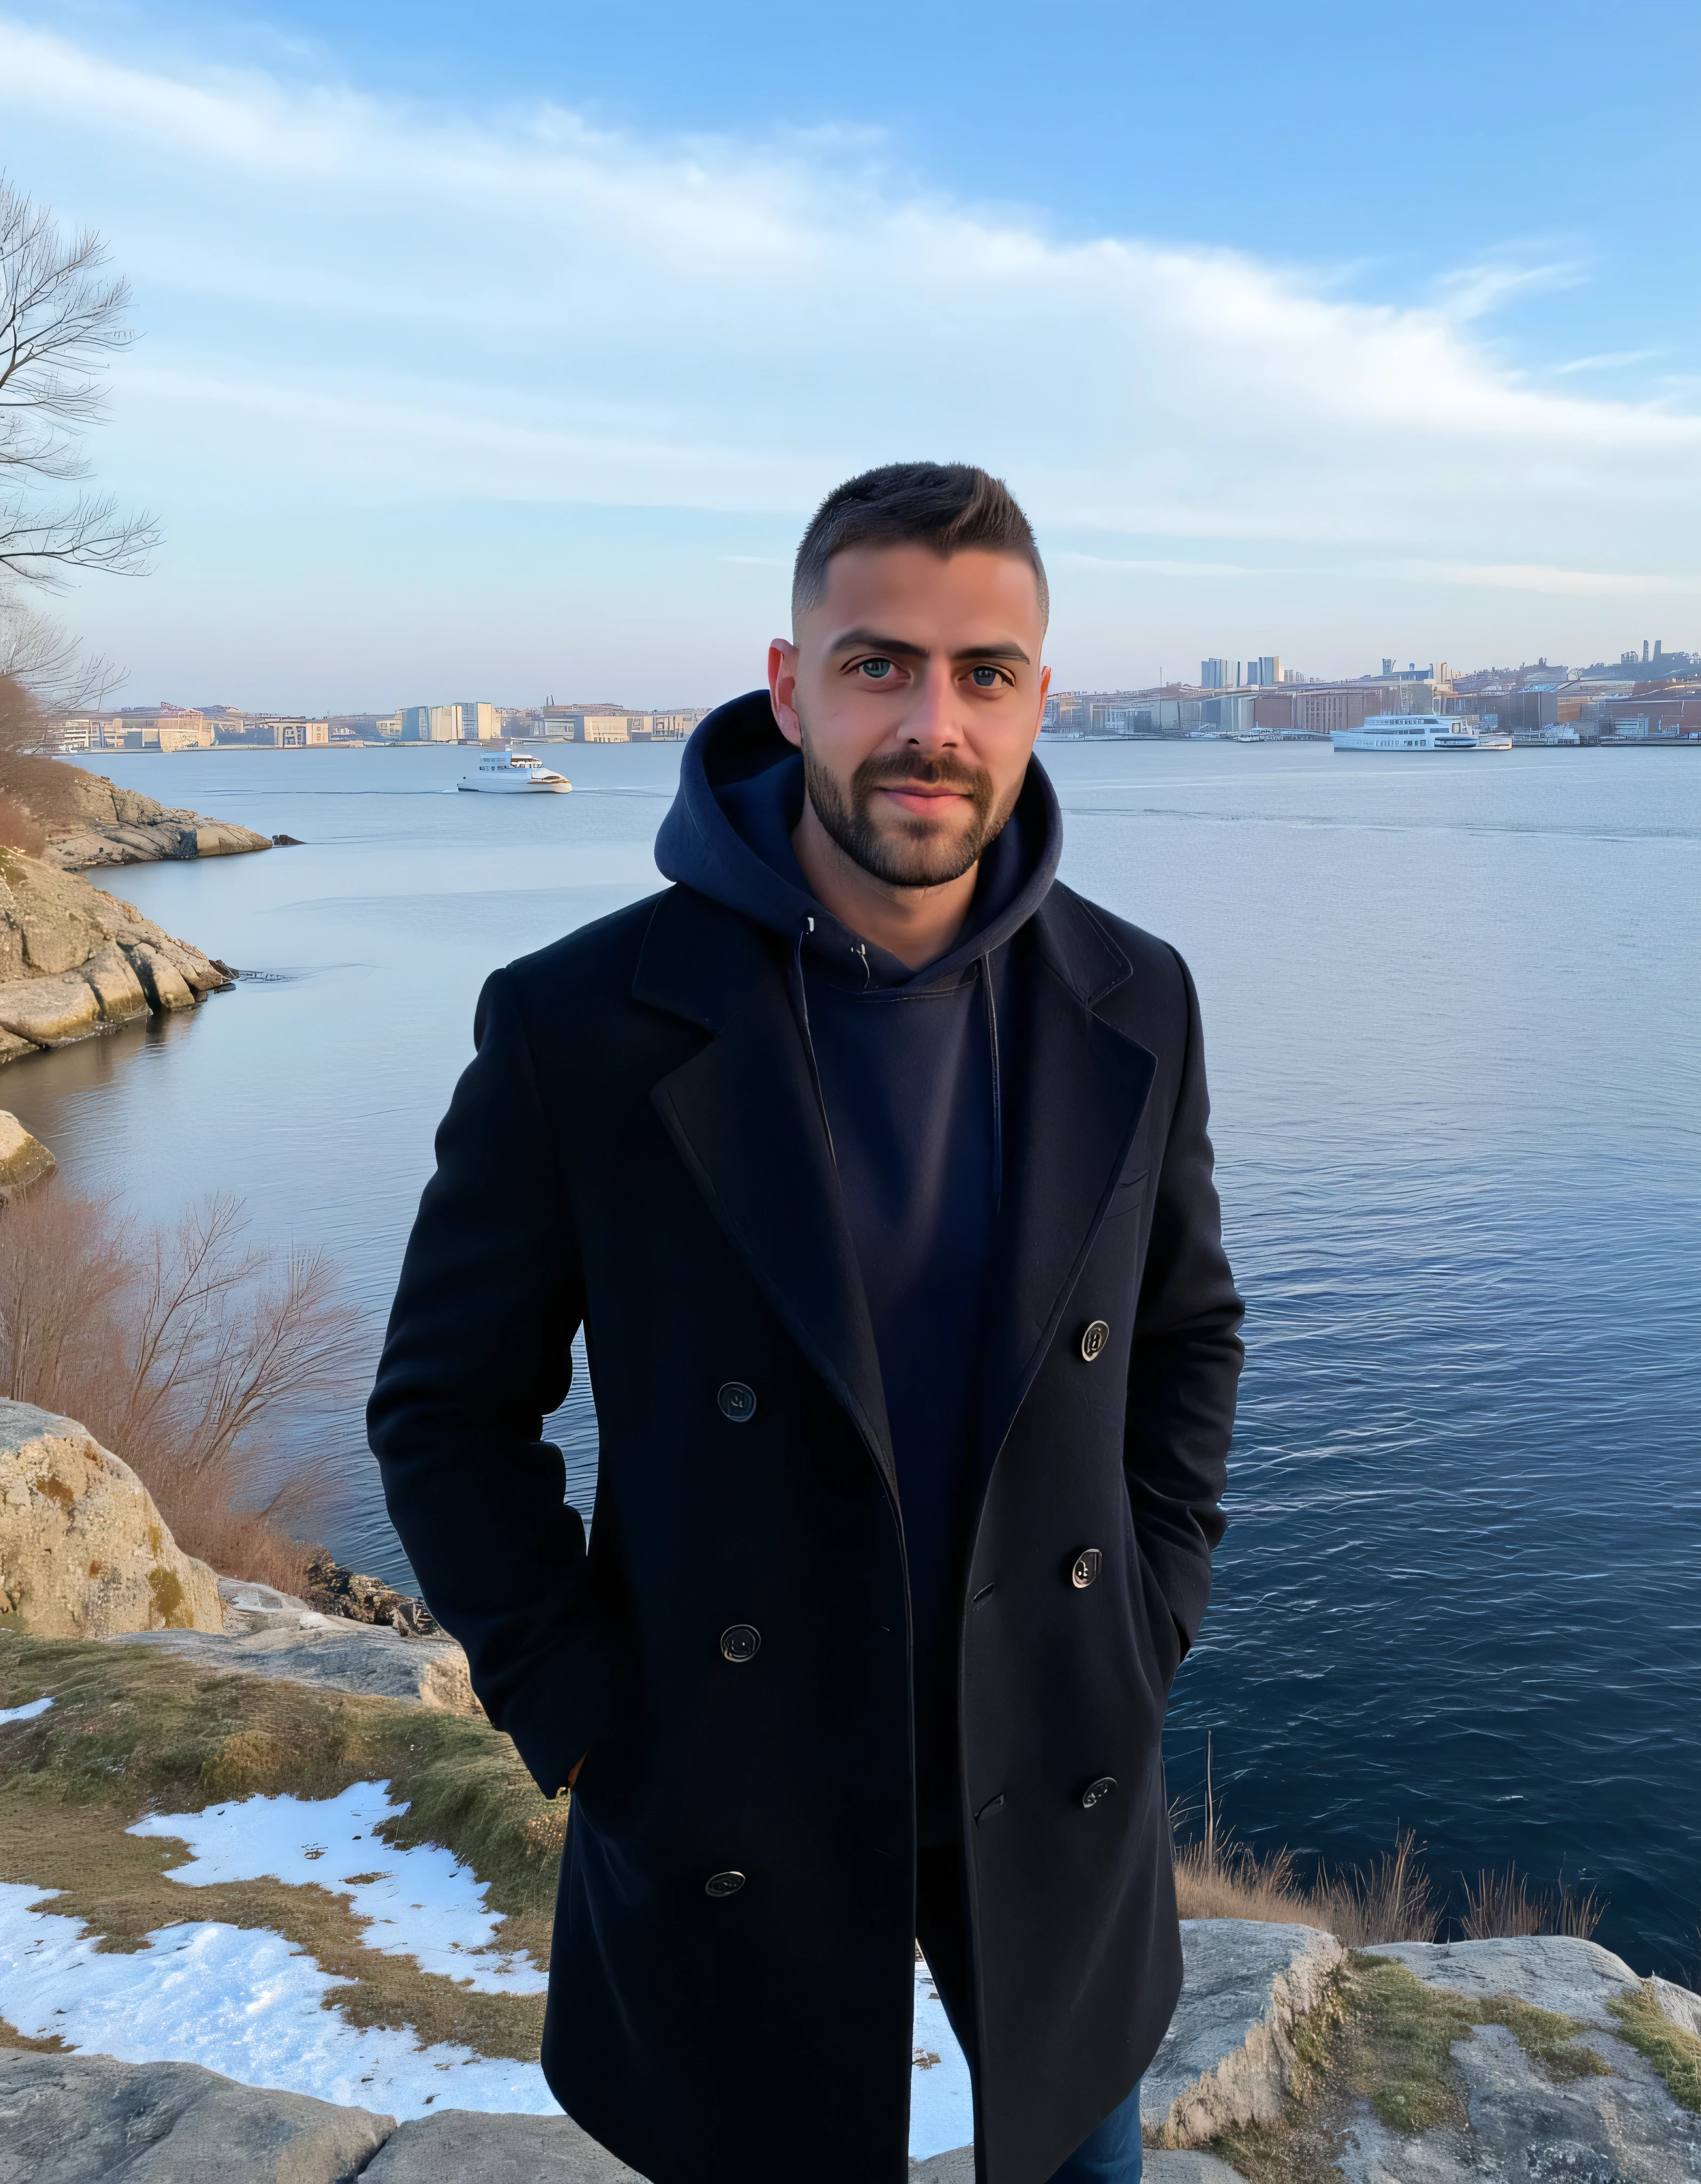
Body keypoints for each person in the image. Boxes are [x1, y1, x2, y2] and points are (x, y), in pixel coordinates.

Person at [369, 462, 1245, 2183]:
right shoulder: (583, 1024)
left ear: (1039, 701)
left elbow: (1188, 1334)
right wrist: (590, 1717)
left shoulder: (1136, 999)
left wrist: (1141, 1628)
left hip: (1049, 1755)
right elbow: (444, 1410)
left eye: (984, 673)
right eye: (880, 664)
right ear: (790, 686)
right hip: (729, 1775)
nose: (934, 722)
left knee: (1080, 2162)